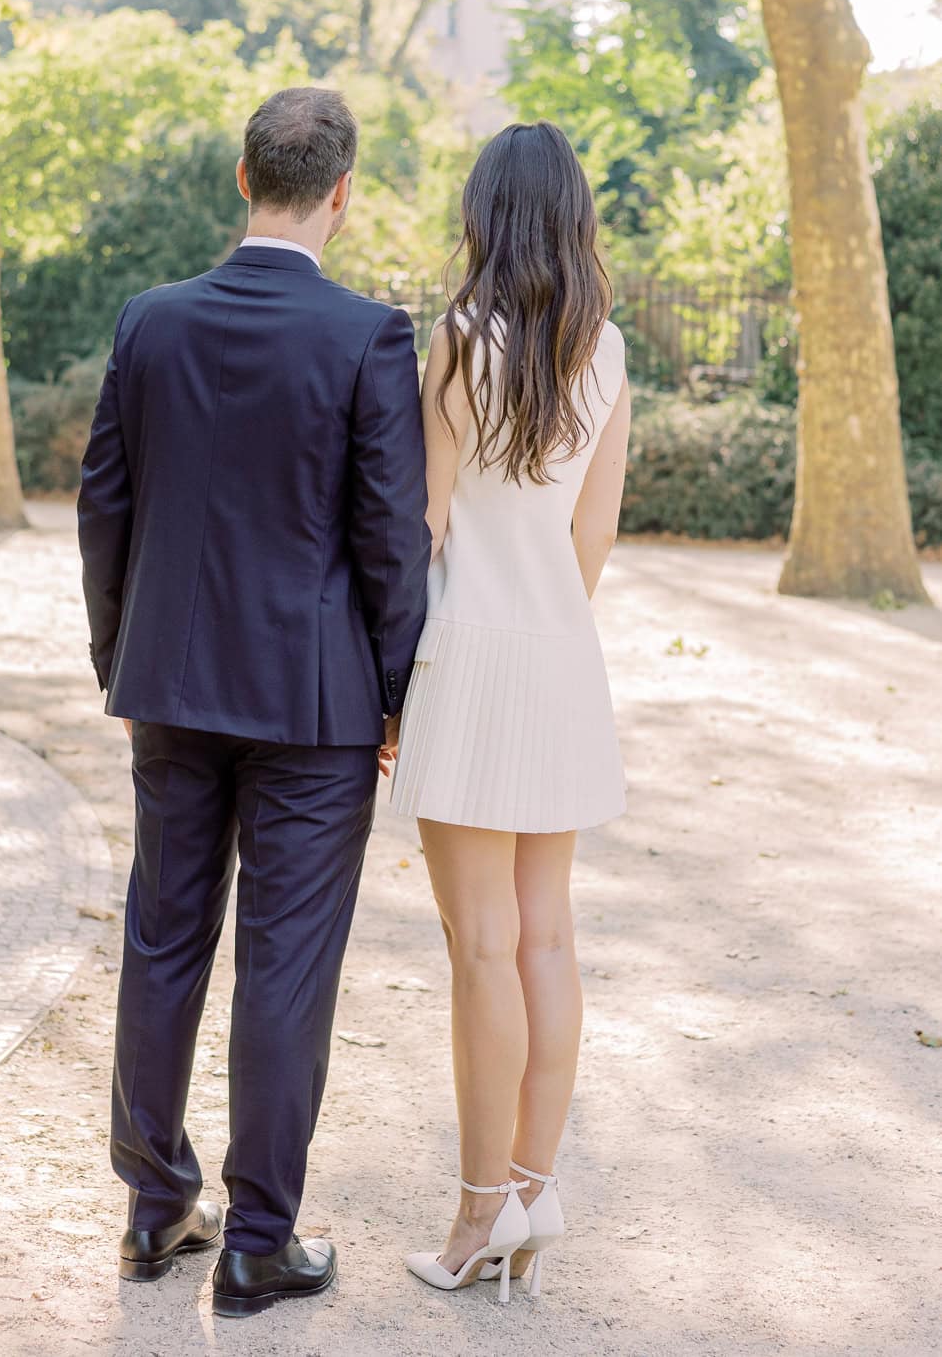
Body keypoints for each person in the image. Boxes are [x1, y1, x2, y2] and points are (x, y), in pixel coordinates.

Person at [78, 86, 430, 1318]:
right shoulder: (369, 335)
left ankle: (153, 1206)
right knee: (286, 966)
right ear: (343, 189)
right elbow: (392, 541)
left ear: (243, 178)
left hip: (168, 689)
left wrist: (117, 657)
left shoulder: (150, 321)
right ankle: (257, 1241)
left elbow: (104, 507)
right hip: (315, 706)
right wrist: (396, 697)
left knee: (162, 937)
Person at [389, 120, 630, 1304]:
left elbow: (425, 527)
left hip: (468, 660)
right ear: (574, 217)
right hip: (560, 660)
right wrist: (547, 629)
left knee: (480, 947)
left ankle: (479, 1213)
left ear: (486, 215)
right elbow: (592, 536)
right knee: (547, 938)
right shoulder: (607, 350)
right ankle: (534, 1185)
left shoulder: (456, 343)